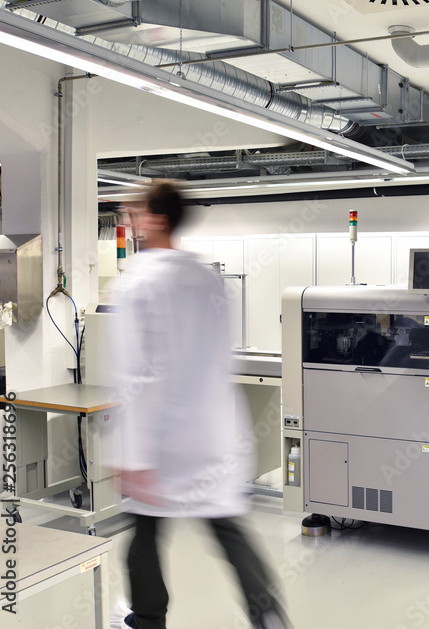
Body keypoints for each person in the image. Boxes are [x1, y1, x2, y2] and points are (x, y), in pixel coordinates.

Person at [110, 181, 290, 629]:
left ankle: (148, 619)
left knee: (144, 533)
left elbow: (137, 376)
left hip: (164, 443)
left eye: (137, 212)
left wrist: (132, 454)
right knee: (228, 530)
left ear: (158, 219)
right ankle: (268, 616)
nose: (130, 219)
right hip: (213, 435)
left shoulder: (137, 283)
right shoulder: (207, 277)